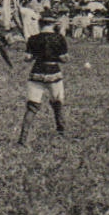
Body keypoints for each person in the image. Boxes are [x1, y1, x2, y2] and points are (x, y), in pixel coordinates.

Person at [19, 12, 69, 144]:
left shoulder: (33, 39)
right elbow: (64, 59)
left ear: (40, 24)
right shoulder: (59, 38)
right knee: (57, 103)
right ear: (53, 24)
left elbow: (27, 58)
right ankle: (61, 132)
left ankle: (23, 139)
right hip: (54, 72)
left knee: (32, 106)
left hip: (37, 71)